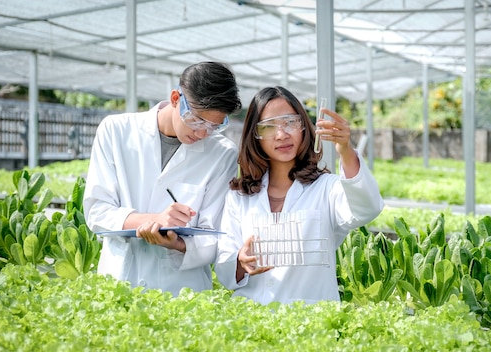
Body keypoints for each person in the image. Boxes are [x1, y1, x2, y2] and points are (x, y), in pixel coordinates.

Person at [83, 61, 242, 296]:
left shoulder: (222, 153)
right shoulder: (115, 131)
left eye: (213, 126)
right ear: (176, 98)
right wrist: (153, 220)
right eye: (196, 120)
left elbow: (215, 233)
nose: (201, 133)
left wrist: (175, 243)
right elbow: (97, 210)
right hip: (120, 281)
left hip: (183, 292)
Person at [214, 86, 384, 305]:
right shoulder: (239, 197)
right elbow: (225, 271)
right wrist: (240, 262)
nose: (281, 134)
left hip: (313, 326)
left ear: (304, 126)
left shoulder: (326, 188)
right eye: (268, 127)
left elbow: (366, 209)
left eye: (290, 122)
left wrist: (346, 150)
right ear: (254, 136)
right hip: (253, 322)